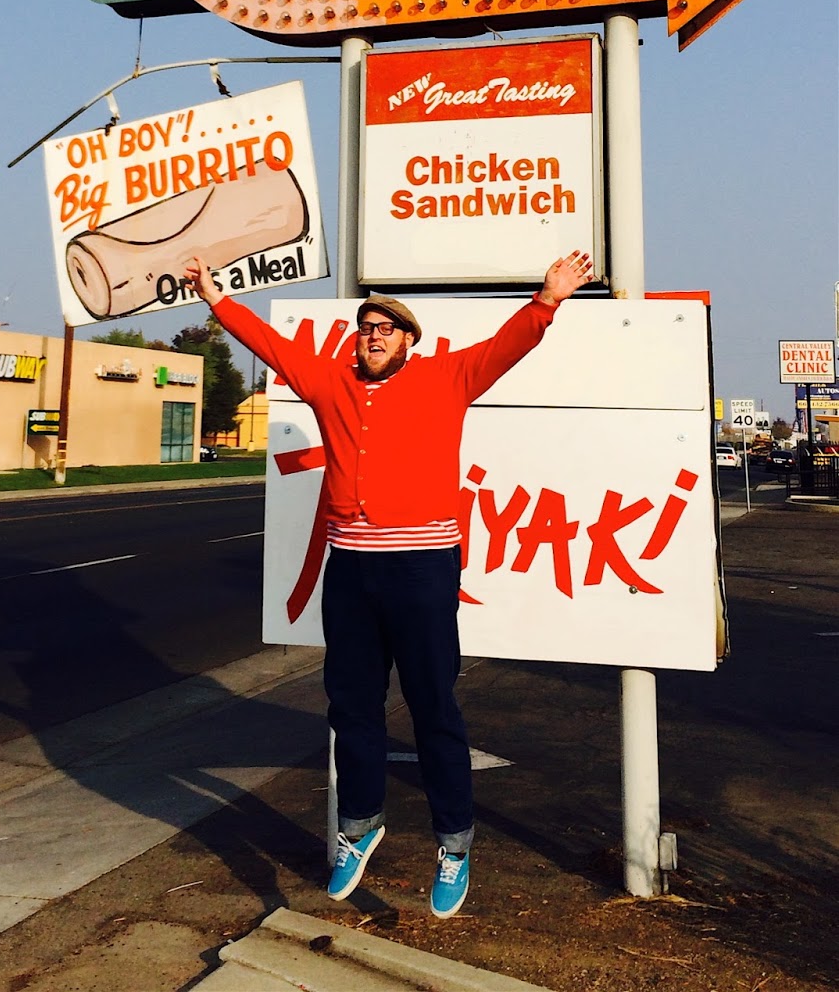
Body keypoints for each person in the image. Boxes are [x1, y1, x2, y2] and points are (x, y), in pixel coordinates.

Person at [182, 249, 592, 919]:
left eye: (385, 329)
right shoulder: (327, 383)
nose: (372, 335)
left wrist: (547, 299)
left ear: (408, 341)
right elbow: (271, 345)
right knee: (349, 705)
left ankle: (454, 845)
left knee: (432, 705)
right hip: (350, 569)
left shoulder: (449, 377)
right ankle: (359, 825)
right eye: (364, 327)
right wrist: (214, 296)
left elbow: (507, 344)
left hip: (422, 566)